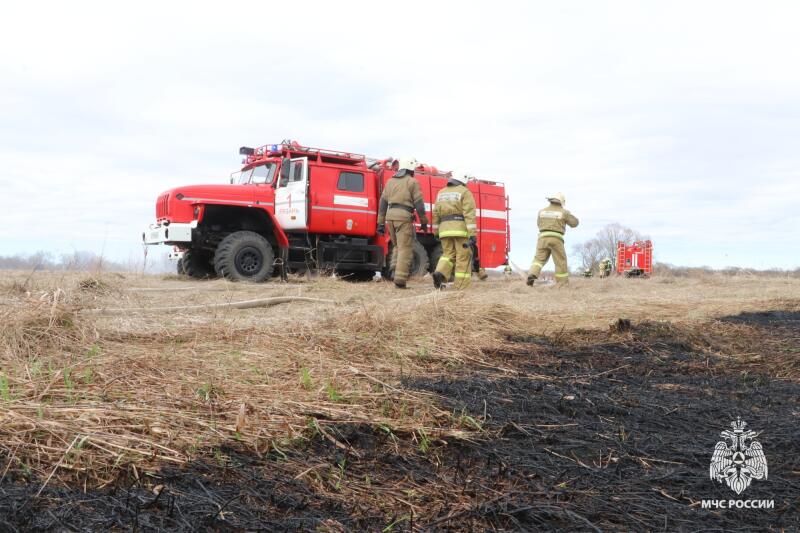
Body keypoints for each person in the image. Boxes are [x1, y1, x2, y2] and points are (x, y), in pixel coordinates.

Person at [377, 157, 428, 289]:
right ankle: (400, 281)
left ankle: (394, 272)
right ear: (410, 168)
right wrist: (424, 222)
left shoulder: (390, 182)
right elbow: (419, 204)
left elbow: (382, 203)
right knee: (405, 248)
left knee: (397, 247)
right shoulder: (412, 182)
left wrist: (380, 223)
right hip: (403, 218)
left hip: (390, 217)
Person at [432, 169, 477, 290]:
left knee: (448, 254)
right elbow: (469, 213)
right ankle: (461, 287)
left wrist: (435, 231)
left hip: (444, 229)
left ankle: (440, 273)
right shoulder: (465, 192)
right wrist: (472, 234)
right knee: (463, 257)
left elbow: (435, 213)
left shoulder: (441, 193)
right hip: (460, 230)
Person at [527, 193, 579, 286]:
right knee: (560, 261)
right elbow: (574, 223)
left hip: (542, 238)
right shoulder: (564, 212)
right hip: (556, 239)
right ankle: (562, 284)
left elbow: (538, 224)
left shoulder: (541, 211)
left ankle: (532, 274)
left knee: (538, 259)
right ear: (561, 202)